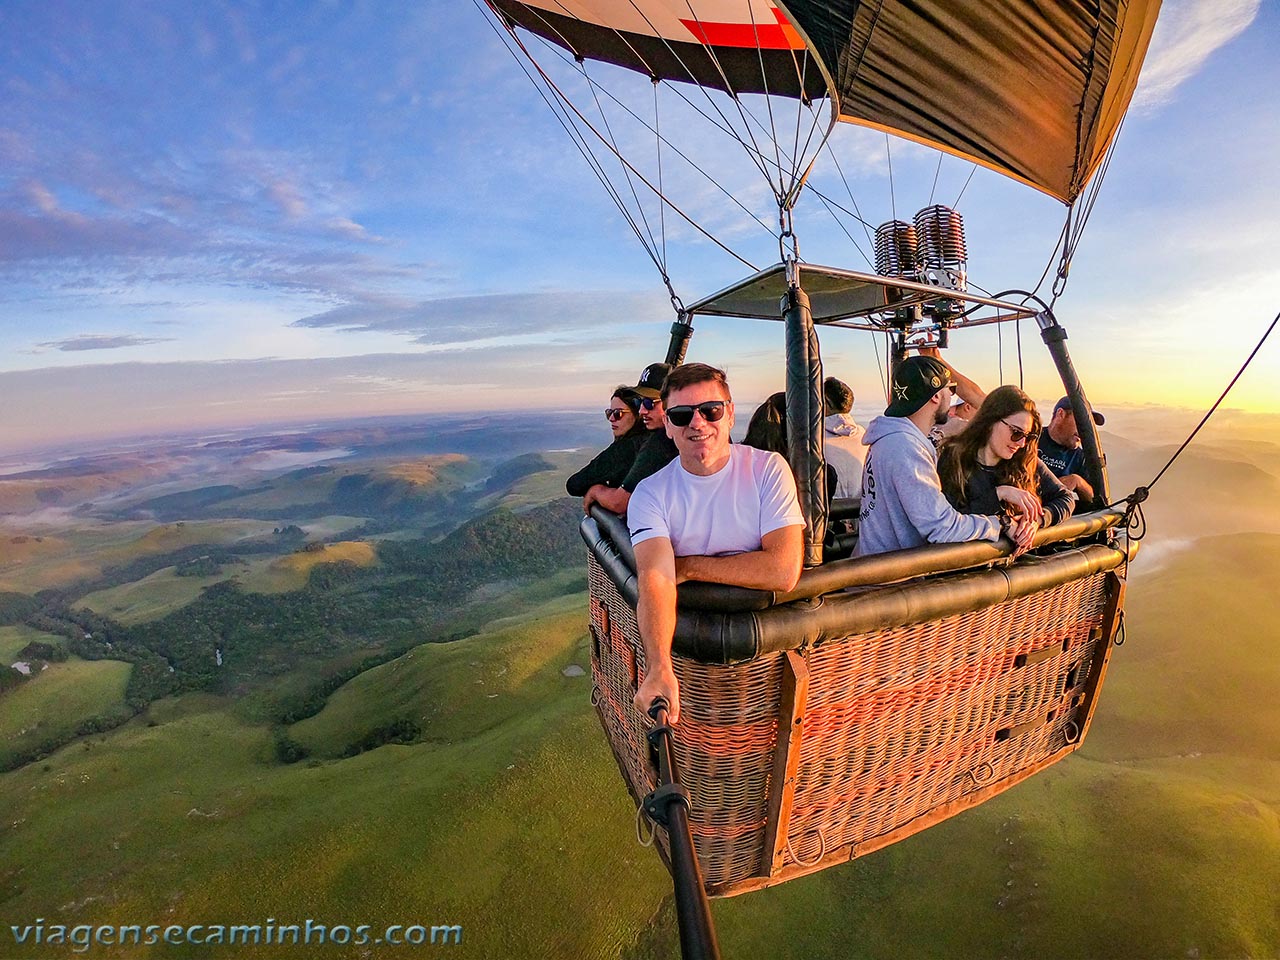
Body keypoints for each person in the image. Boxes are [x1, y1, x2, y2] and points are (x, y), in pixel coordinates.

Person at [627, 363, 805, 723]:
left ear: (730, 414)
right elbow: (656, 578)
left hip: (768, 662)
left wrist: (689, 566)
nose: (697, 423)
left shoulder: (767, 470)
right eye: (681, 415)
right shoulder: (650, 494)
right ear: (668, 426)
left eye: (710, 410)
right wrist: (659, 667)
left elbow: (783, 570)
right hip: (694, 668)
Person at [856, 356, 1035, 557]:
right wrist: (1000, 523)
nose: (951, 396)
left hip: (876, 561)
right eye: (951, 389)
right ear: (935, 396)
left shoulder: (888, 439)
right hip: (893, 572)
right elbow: (942, 527)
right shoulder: (906, 448)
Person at [937, 385, 1075, 530]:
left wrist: (1038, 519)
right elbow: (949, 521)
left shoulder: (1026, 462)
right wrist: (999, 495)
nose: (1022, 443)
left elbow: (1066, 498)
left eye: (1028, 437)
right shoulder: (954, 459)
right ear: (991, 421)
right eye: (1016, 432)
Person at [582, 362, 677, 515]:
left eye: (649, 403)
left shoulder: (661, 442)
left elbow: (619, 503)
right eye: (640, 402)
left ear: (674, 400)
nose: (642, 410)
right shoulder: (686, 436)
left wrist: (596, 491)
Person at [565, 386, 647, 497]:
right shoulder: (652, 440)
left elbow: (574, 485)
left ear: (637, 415)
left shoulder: (625, 448)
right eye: (609, 413)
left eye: (618, 413)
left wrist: (598, 490)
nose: (611, 418)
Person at [1038, 397, 1105, 502]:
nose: (1084, 430)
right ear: (1061, 414)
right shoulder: (1030, 439)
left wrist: (1077, 481)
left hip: (1053, 510)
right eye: (1081, 422)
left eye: (1088, 426)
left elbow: (1096, 498)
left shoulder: (1079, 457)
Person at [821, 377, 866, 498]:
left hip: (828, 509)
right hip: (862, 508)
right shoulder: (864, 436)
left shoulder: (814, 440)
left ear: (825, 402)